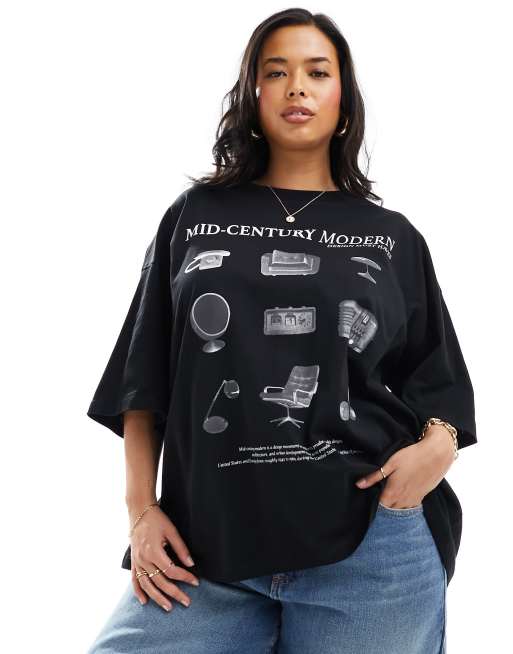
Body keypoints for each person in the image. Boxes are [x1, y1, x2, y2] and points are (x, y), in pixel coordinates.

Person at [85, 8, 477, 654]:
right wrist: (139, 509)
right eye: (276, 72)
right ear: (253, 95)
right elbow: (143, 371)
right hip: (207, 547)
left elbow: (438, 376)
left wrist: (437, 448)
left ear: (344, 101)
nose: (297, 86)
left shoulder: (392, 237)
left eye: (317, 72)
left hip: (370, 545)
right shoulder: (195, 216)